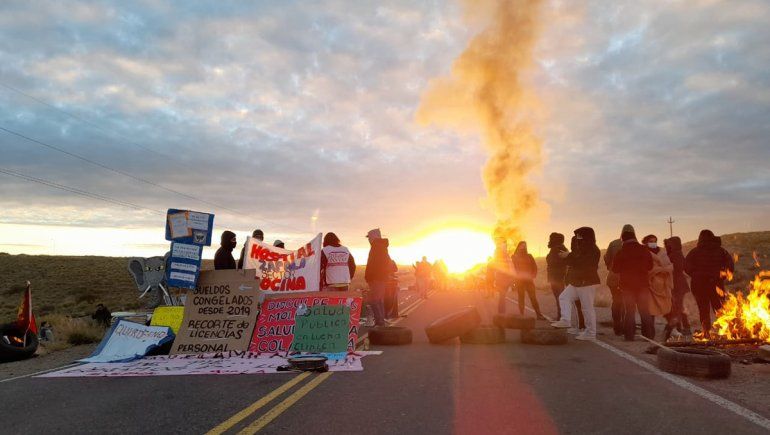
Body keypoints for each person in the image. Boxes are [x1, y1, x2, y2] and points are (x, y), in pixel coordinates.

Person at [551, 227, 600, 341]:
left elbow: (582, 263)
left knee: (587, 308)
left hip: (587, 282)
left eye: (579, 235)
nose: (577, 238)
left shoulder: (592, 249)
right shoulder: (583, 249)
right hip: (577, 281)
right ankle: (565, 320)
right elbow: (574, 261)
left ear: (587, 236)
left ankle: (591, 333)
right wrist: (567, 256)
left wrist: (568, 256)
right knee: (564, 297)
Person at [684, 229, 734, 339]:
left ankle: (706, 332)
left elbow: (686, 266)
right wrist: (721, 275)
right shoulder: (721, 251)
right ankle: (730, 332)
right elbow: (730, 267)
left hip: (699, 285)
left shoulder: (694, 252)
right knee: (720, 308)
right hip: (716, 285)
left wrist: (696, 274)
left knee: (704, 310)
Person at [611, 228, 654, 341]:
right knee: (644, 311)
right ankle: (648, 336)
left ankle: (629, 336)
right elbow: (650, 266)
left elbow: (615, 269)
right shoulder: (644, 250)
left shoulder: (621, 252)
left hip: (627, 286)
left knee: (629, 311)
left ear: (623, 239)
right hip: (643, 285)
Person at [546, 233, 585, 328]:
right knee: (562, 298)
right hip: (558, 277)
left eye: (551, 238)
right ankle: (563, 318)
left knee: (561, 298)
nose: (549, 239)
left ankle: (562, 318)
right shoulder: (559, 248)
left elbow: (561, 262)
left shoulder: (558, 249)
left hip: (558, 277)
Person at [642, 234, 673, 340]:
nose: (653, 243)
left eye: (655, 241)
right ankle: (649, 334)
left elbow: (669, 265)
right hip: (649, 284)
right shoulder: (644, 252)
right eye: (651, 241)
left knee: (666, 307)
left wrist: (663, 270)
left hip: (663, 284)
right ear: (646, 242)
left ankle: (671, 327)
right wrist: (655, 271)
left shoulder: (662, 252)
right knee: (650, 310)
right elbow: (644, 268)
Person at [604, 225, 632, 336]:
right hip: (628, 278)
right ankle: (625, 326)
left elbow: (607, 258)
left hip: (613, 277)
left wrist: (610, 267)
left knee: (616, 301)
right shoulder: (634, 245)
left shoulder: (613, 243)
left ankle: (617, 326)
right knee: (626, 302)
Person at [664, 236, 692, 339]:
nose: (668, 245)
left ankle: (677, 327)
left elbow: (677, 268)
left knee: (677, 307)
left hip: (677, 285)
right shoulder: (675, 253)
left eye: (669, 243)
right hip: (676, 284)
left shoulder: (676, 254)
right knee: (678, 307)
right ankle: (682, 327)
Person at [365, 228, 394, 327]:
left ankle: (380, 321)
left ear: (374, 236)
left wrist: (370, 277)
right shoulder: (382, 246)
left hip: (376, 279)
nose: (368, 239)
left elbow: (374, 264)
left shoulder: (376, 247)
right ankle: (380, 320)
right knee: (379, 300)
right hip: (381, 278)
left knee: (374, 300)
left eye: (369, 237)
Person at [512, 241, 545, 319]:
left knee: (533, 298)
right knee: (521, 298)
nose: (523, 247)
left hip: (529, 280)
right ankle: (522, 315)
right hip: (519, 281)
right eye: (522, 245)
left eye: (525, 246)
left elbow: (534, 267)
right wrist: (513, 281)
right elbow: (512, 269)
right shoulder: (514, 256)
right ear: (518, 246)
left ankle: (539, 315)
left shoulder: (529, 256)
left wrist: (533, 275)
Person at [494, 239, 515, 314]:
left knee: (502, 296)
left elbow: (511, 267)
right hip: (501, 279)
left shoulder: (507, 256)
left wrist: (512, 277)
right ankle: (501, 313)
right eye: (504, 245)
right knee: (502, 296)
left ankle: (502, 313)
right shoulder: (498, 255)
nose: (505, 247)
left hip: (507, 278)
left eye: (505, 246)